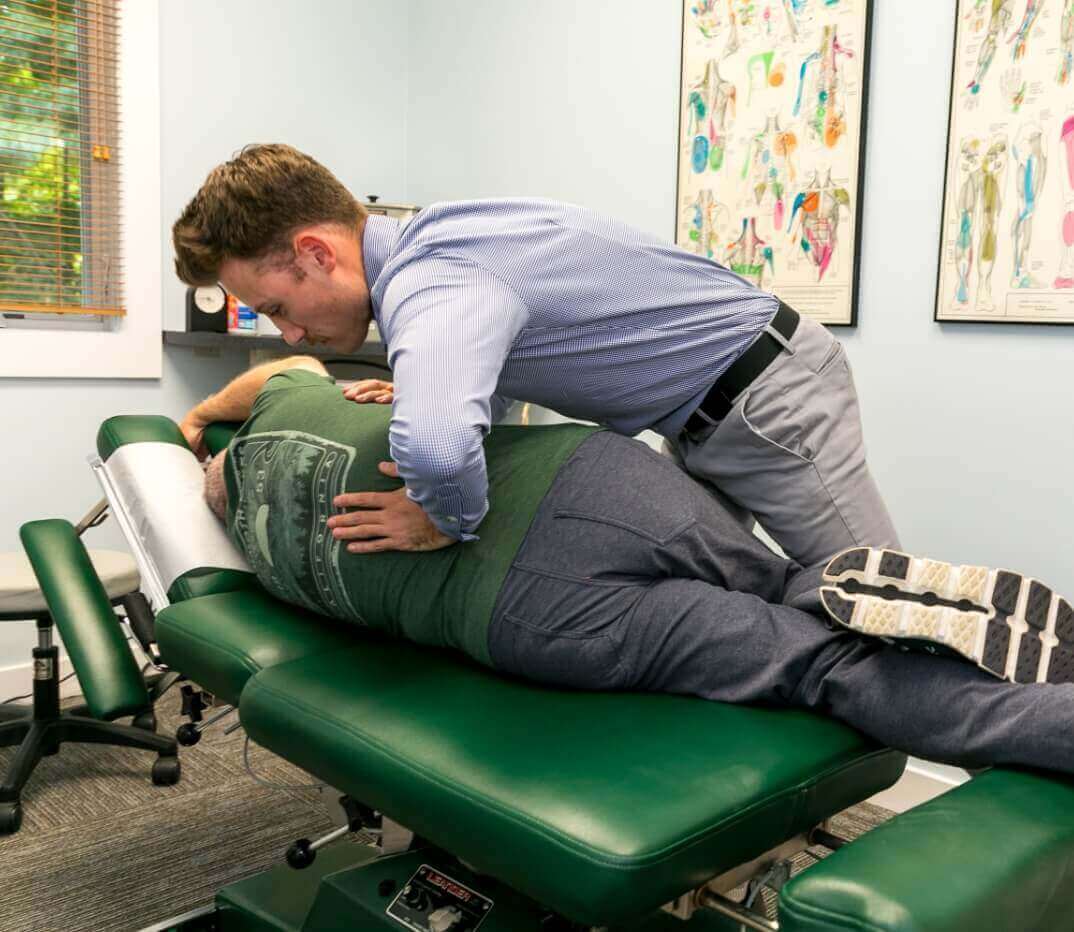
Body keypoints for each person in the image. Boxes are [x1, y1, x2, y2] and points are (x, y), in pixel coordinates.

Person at [182, 356, 1074, 776]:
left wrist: (190, 454)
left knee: (824, 670)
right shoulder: (309, 397)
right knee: (792, 584)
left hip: (527, 608)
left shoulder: (263, 560)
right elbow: (276, 369)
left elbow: (222, 467)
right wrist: (201, 414)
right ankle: (878, 589)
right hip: (594, 479)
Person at [172, 143, 898, 568]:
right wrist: (428, 383)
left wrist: (441, 518)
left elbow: (435, 448)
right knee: (709, 588)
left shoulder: (431, 279)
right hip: (704, 414)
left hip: (770, 397)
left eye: (275, 309)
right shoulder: (435, 248)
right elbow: (479, 358)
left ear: (314, 253)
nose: (290, 336)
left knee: (882, 599)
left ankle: (1004, 771)